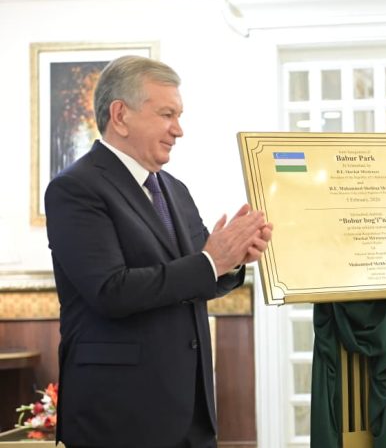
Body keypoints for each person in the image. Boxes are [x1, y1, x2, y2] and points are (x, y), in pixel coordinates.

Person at [44, 55, 272, 448]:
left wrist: (233, 260)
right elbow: (110, 291)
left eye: (178, 116)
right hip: (119, 416)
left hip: (190, 410)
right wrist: (211, 261)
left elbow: (197, 276)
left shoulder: (174, 189)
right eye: (167, 114)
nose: (178, 130)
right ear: (120, 115)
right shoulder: (75, 188)